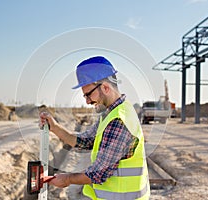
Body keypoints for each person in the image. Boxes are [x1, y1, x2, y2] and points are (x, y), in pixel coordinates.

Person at [40, 56, 150, 200]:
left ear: (105, 87)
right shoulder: (111, 113)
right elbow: (86, 141)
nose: (87, 101)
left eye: (88, 94)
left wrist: (67, 179)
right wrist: (55, 128)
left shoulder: (119, 120)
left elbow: (99, 173)